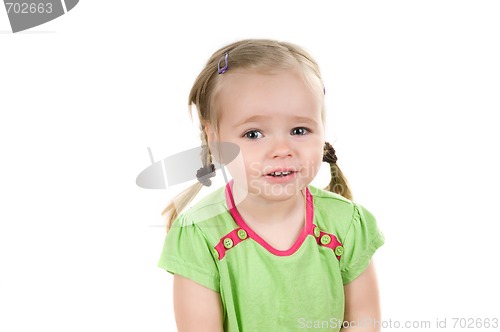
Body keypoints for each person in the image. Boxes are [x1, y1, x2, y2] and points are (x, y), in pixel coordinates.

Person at [158, 39, 384, 332]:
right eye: (253, 134)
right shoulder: (199, 234)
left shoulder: (347, 224)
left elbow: (363, 321)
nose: (282, 149)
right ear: (215, 140)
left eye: (299, 130)